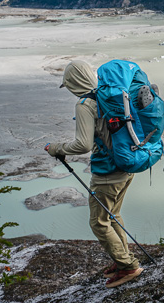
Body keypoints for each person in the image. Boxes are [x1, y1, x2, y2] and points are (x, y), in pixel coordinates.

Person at [45, 60, 143, 287]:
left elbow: (82, 145)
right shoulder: (107, 95)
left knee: (99, 222)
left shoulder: (85, 104)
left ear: (73, 83)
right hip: (127, 164)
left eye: (68, 84)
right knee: (113, 214)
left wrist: (56, 148)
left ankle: (128, 267)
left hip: (108, 172)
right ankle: (121, 260)